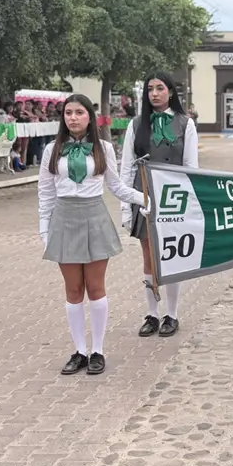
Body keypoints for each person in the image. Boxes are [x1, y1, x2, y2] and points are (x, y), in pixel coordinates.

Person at [38, 94, 148, 376]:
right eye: (68, 113)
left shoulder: (103, 149)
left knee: (96, 288)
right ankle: (79, 351)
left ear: (90, 117)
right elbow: (46, 193)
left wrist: (146, 198)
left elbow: (118, 187)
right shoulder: (52, 149)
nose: (72, 118)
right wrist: (44, 229)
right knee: (73, 290)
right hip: (64, 218)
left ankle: (97, 350)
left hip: (94, 217)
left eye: (79, 113)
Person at [120, 74, 199, 338]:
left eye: (160, 88)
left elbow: (191, 167)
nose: (154, 93)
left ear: (171, 92)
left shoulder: (185, 124)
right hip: (144, 195)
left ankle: (172, 313)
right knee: (149, 257)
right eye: (150, 89)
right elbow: (126, 167)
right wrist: (125, 206)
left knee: (172, 255)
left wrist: (191, 205)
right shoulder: (136, 125)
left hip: (174, 195)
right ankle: (152, 313)